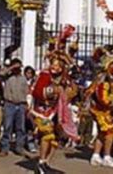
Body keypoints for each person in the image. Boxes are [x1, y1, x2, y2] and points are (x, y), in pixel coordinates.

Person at [31, 25, 78, 174]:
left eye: (58, 65)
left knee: (56, 139)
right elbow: (37, 92)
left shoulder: (64, 78)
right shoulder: (45, 75)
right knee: (47, 135)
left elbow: (71, 91)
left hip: (57, 111)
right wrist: (53, 91)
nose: (55, 67)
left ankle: (46, 162)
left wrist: (68, 92)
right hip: (42, 110)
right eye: (53, 64)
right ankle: (40, 163)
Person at [88, 50, 113, 169]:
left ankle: (96, 155)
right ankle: (107, 157)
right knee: (110, 132)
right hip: (99, 110)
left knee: (102, 133)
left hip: (105, 110)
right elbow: (103, 99)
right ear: (110, 66)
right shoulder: (104, 79)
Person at [0, 58, 28, 157]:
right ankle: (4, 148)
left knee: (21, 127)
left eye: (19, 67)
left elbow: (26, 92)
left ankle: (19, 147)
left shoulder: (23, 78)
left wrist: (25, 104)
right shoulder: (8, 77)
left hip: (21, 104)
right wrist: (11, 67)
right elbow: (1, 73)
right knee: (7, 126)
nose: (17, 69)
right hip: (9, 104)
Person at [24, 65, 37, 153]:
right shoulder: (22, 82)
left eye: (30, 73)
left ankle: (31, 143)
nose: (29, 75)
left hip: (32, 107)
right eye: (27, 73)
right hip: (23, 105)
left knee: (31, 126)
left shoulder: (34, 84)